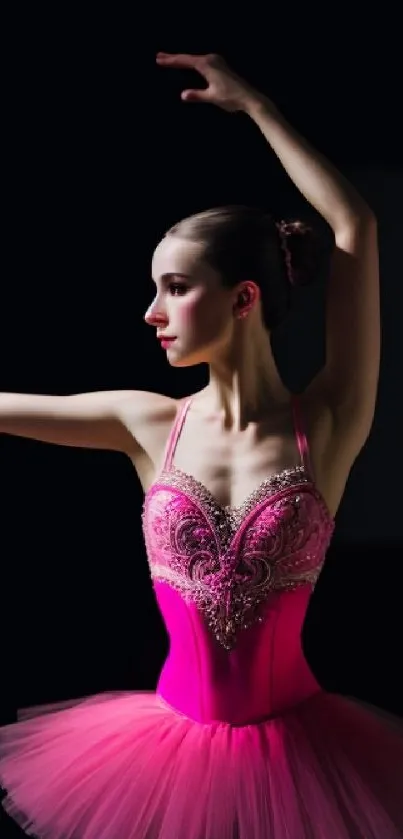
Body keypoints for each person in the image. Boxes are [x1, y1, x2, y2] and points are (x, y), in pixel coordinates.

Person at [0, 51, 401, 839]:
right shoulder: (145, 422)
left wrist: (256, 107)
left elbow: (355, 225)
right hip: (157, 754)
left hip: (300, 761)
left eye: (175, 288)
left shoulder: (324, 421)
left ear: (243, 297)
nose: (152, 311)